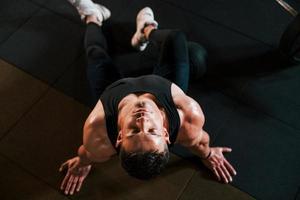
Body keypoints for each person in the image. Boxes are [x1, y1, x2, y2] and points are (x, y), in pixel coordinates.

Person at [60, 0, 236, 195]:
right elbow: (199, 142)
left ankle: (93, 16)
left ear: (118, 136)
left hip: (112, 90)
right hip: (163, 84)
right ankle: (146, 29)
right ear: (167, 134)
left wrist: (82, 164)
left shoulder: (98, 132)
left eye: (134, 130)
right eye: (152, 130)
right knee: (177, 38)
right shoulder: (187, 115)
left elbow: (87, 153)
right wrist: (209, 154)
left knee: (95, 54)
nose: (142, 120)